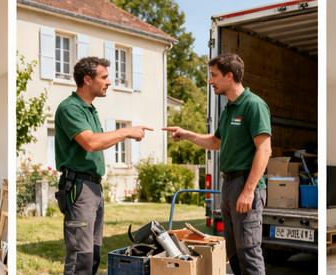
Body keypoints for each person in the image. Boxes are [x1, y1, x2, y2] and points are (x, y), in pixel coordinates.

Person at [163, 53, 270, 275]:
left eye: (214, 75)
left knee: (249, 251)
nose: (210, 81)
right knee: (234, 252)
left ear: (229, 76)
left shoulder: (253, 105)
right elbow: (215, 141)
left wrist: (248, 191)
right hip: (229, 184)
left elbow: (264, 149)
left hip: (245, 184)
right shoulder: (229, 109)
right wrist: (186, 134)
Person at [55, 57, 152, 275]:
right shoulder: (70, 108)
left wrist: (123, 133)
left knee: (93, 255)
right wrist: (126, 131)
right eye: (105, 77)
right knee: (81, 257)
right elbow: (91, 142)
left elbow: (100, 140)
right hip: (79, 188)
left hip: (93, 188)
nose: (109, 82)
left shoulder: (90, 110)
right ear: (87, 79)